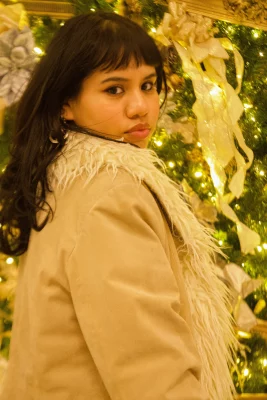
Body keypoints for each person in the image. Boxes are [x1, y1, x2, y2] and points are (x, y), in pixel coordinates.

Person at [0, 11, 237, 400]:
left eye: (148, 85)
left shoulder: (65, 178)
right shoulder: (109, 196)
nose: (140, 106)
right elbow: (152, 372)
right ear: (66, 104)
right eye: (114, 89)